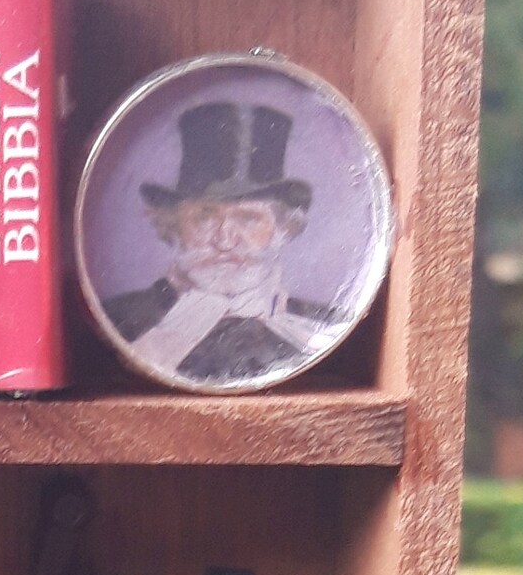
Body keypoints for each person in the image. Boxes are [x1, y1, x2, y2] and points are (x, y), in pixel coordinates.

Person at [102, 100, 343, 387]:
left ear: (283, 228)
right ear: (173, 226)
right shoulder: (120, 322)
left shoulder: (328, 328)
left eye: (248, 219)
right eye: (204, 217)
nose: (225, 240)